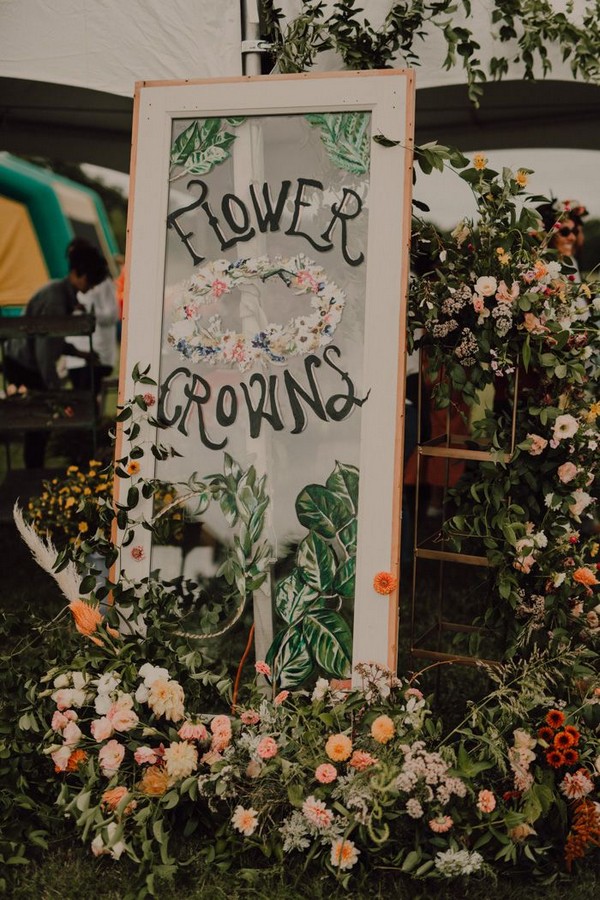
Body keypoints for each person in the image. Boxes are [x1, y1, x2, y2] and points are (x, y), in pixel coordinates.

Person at [4, 238, 107, 468]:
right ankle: (34, 471)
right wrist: (55, 390)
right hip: (23, 363)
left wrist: (80, 354)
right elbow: (44, 352)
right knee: (41, 419)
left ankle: (35, 467)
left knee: (40, 422)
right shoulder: (57, 300)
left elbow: (53, 342)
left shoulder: (61, 293)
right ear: (80, 274)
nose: (91, 288)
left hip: (29, 359)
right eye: (91, 282)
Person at [65, 268, 119, 395]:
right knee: (79, 398)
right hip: (74, 358)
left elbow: (112, 315)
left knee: (91, 396)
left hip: (97, 353)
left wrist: (87, 310)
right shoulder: (70, 285)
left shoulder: (103, 283)